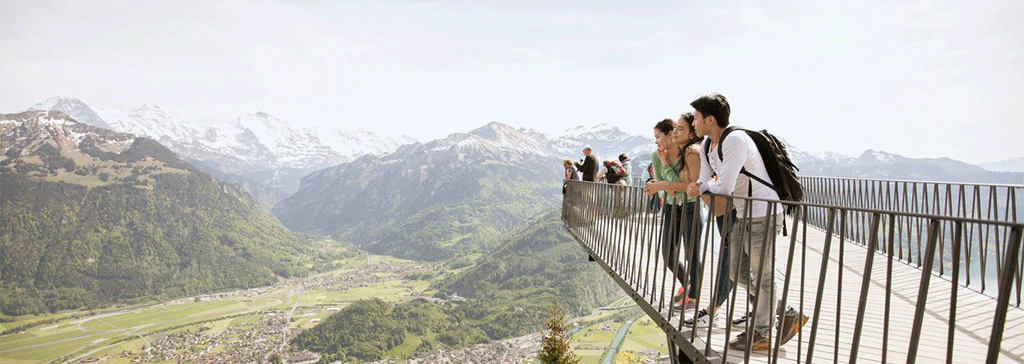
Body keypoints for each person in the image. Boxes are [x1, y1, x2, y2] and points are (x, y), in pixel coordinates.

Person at [685, 93, 807, 351]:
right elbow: (706, 181)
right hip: (743, 213)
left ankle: (762, 333)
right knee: (735, 271)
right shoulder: (708, 146)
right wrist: (702, 186)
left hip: (764, 212)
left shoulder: (736, 140)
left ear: (710, 119)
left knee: (763, 274)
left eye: (696, 118)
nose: (693, 123)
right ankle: (786, 310)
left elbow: (724, 186)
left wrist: (702, 187)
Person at [643, 118, 703, 310]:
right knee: (668, 254)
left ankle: (693, 297)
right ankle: (688, 285)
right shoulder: (655, 155)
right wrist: (668, 184)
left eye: (658, 137)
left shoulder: (687, 154)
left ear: (670, 135)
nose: (656, 142)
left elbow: (684, 186)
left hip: (691, 206)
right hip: (670, 207)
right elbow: (663, 182)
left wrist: (666, 171)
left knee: (692, 253)